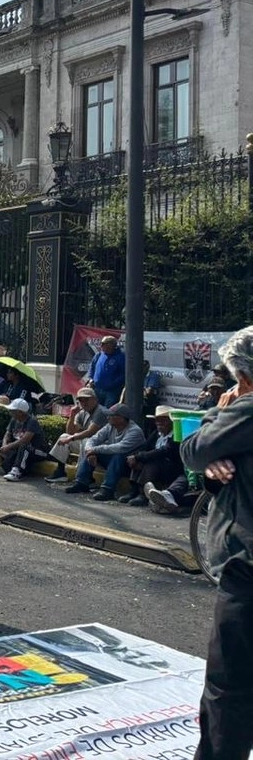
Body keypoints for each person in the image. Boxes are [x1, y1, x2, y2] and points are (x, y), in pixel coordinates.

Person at [180, 326, 253, 760]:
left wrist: (215, 418)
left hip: (246, 570)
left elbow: (193, 448)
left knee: (228, 687)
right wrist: (215, 469)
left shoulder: (245, 412)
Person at [64, 404, 146, 501]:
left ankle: (107, 490)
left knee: (118, 456)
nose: (108, 417)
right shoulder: (110, 426)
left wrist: (95, 449)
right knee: (91, 453)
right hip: (113, 462)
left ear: (121, 418)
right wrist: (92, 452)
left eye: (111, 415)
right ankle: (81, 483)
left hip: (130, 465)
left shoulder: (134, 431)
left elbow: (119, 448)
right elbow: (93, 439)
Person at [0, 398, 48, 481]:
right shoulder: (14, 420)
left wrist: (8, 447)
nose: (10, 412)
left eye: (13, 410)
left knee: (25, 446)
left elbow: (25, 440)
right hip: (20, 449)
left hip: (38, 451)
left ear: (20, 412)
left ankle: (17, 471)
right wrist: (4, 445)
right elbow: (7, 434)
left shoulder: (32, 421)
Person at [122, 405, 182, 509]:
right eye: (157, 420)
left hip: (172, 469)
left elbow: (163, 451)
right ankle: (134, 490)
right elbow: (145, 446)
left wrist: (139, 456)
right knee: (138, 459)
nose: (159, 423)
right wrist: (135, 457)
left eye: (163, 420)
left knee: (151, 461)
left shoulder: (176, 436)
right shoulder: (157, 434)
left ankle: (143, 494)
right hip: (160, 466)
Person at [45, 388, 109, 484]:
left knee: (86, 441)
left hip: (103, 445)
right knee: (64, 436)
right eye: (80, 400)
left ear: (95, 399)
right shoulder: (82, 412)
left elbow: (90, 432)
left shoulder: (101, 411)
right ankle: (60, 472)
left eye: (86, 399)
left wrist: (72, 438)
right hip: (89, 444)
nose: (83, 402)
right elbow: (70, 431)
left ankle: (84, 477)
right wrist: (72, 414)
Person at [86, 335, 125, 407]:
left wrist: (112, 384)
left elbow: (123, 375)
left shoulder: (121, 357)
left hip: (112, 392)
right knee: (95, 409)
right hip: (97, 389)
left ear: (112, 345)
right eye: (101, 344)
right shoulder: (99, 355)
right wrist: (90, 379)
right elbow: (92, 368)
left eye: (104, 344)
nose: (101, 346)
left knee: (107, 412)